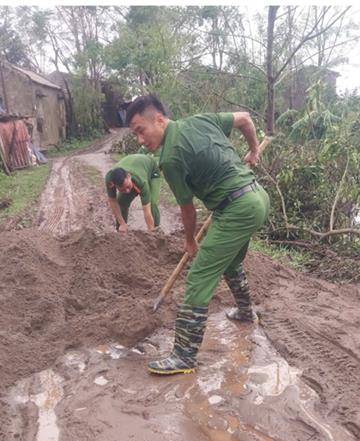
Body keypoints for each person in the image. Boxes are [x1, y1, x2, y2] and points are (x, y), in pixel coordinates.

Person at [125, 95, 269, 375]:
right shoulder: (201, 120)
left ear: (160, 120)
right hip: (257, 199)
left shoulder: (170, 158)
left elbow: (188, 211)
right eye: (135, 135)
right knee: (229, 260)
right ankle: (244, 310)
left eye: (140, 130)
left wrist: (190, 241)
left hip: (238, 208)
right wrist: (253, 150)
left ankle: (184, 356)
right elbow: (245, 119)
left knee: (199, 277)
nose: (140, 141)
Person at [105, 153, 162, 232]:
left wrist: (151, 232)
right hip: (134, 167)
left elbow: (147, 211)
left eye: (128, 187)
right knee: (121, 202)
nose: (127, 191)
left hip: (152, 172)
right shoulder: (109, 179)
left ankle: (156, 233)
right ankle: (121, 233)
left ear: (129, 176)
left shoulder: (140, 181)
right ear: (114, 185)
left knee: (152, 203)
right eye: (122, 190)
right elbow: (113, 201)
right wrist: (122, 223)